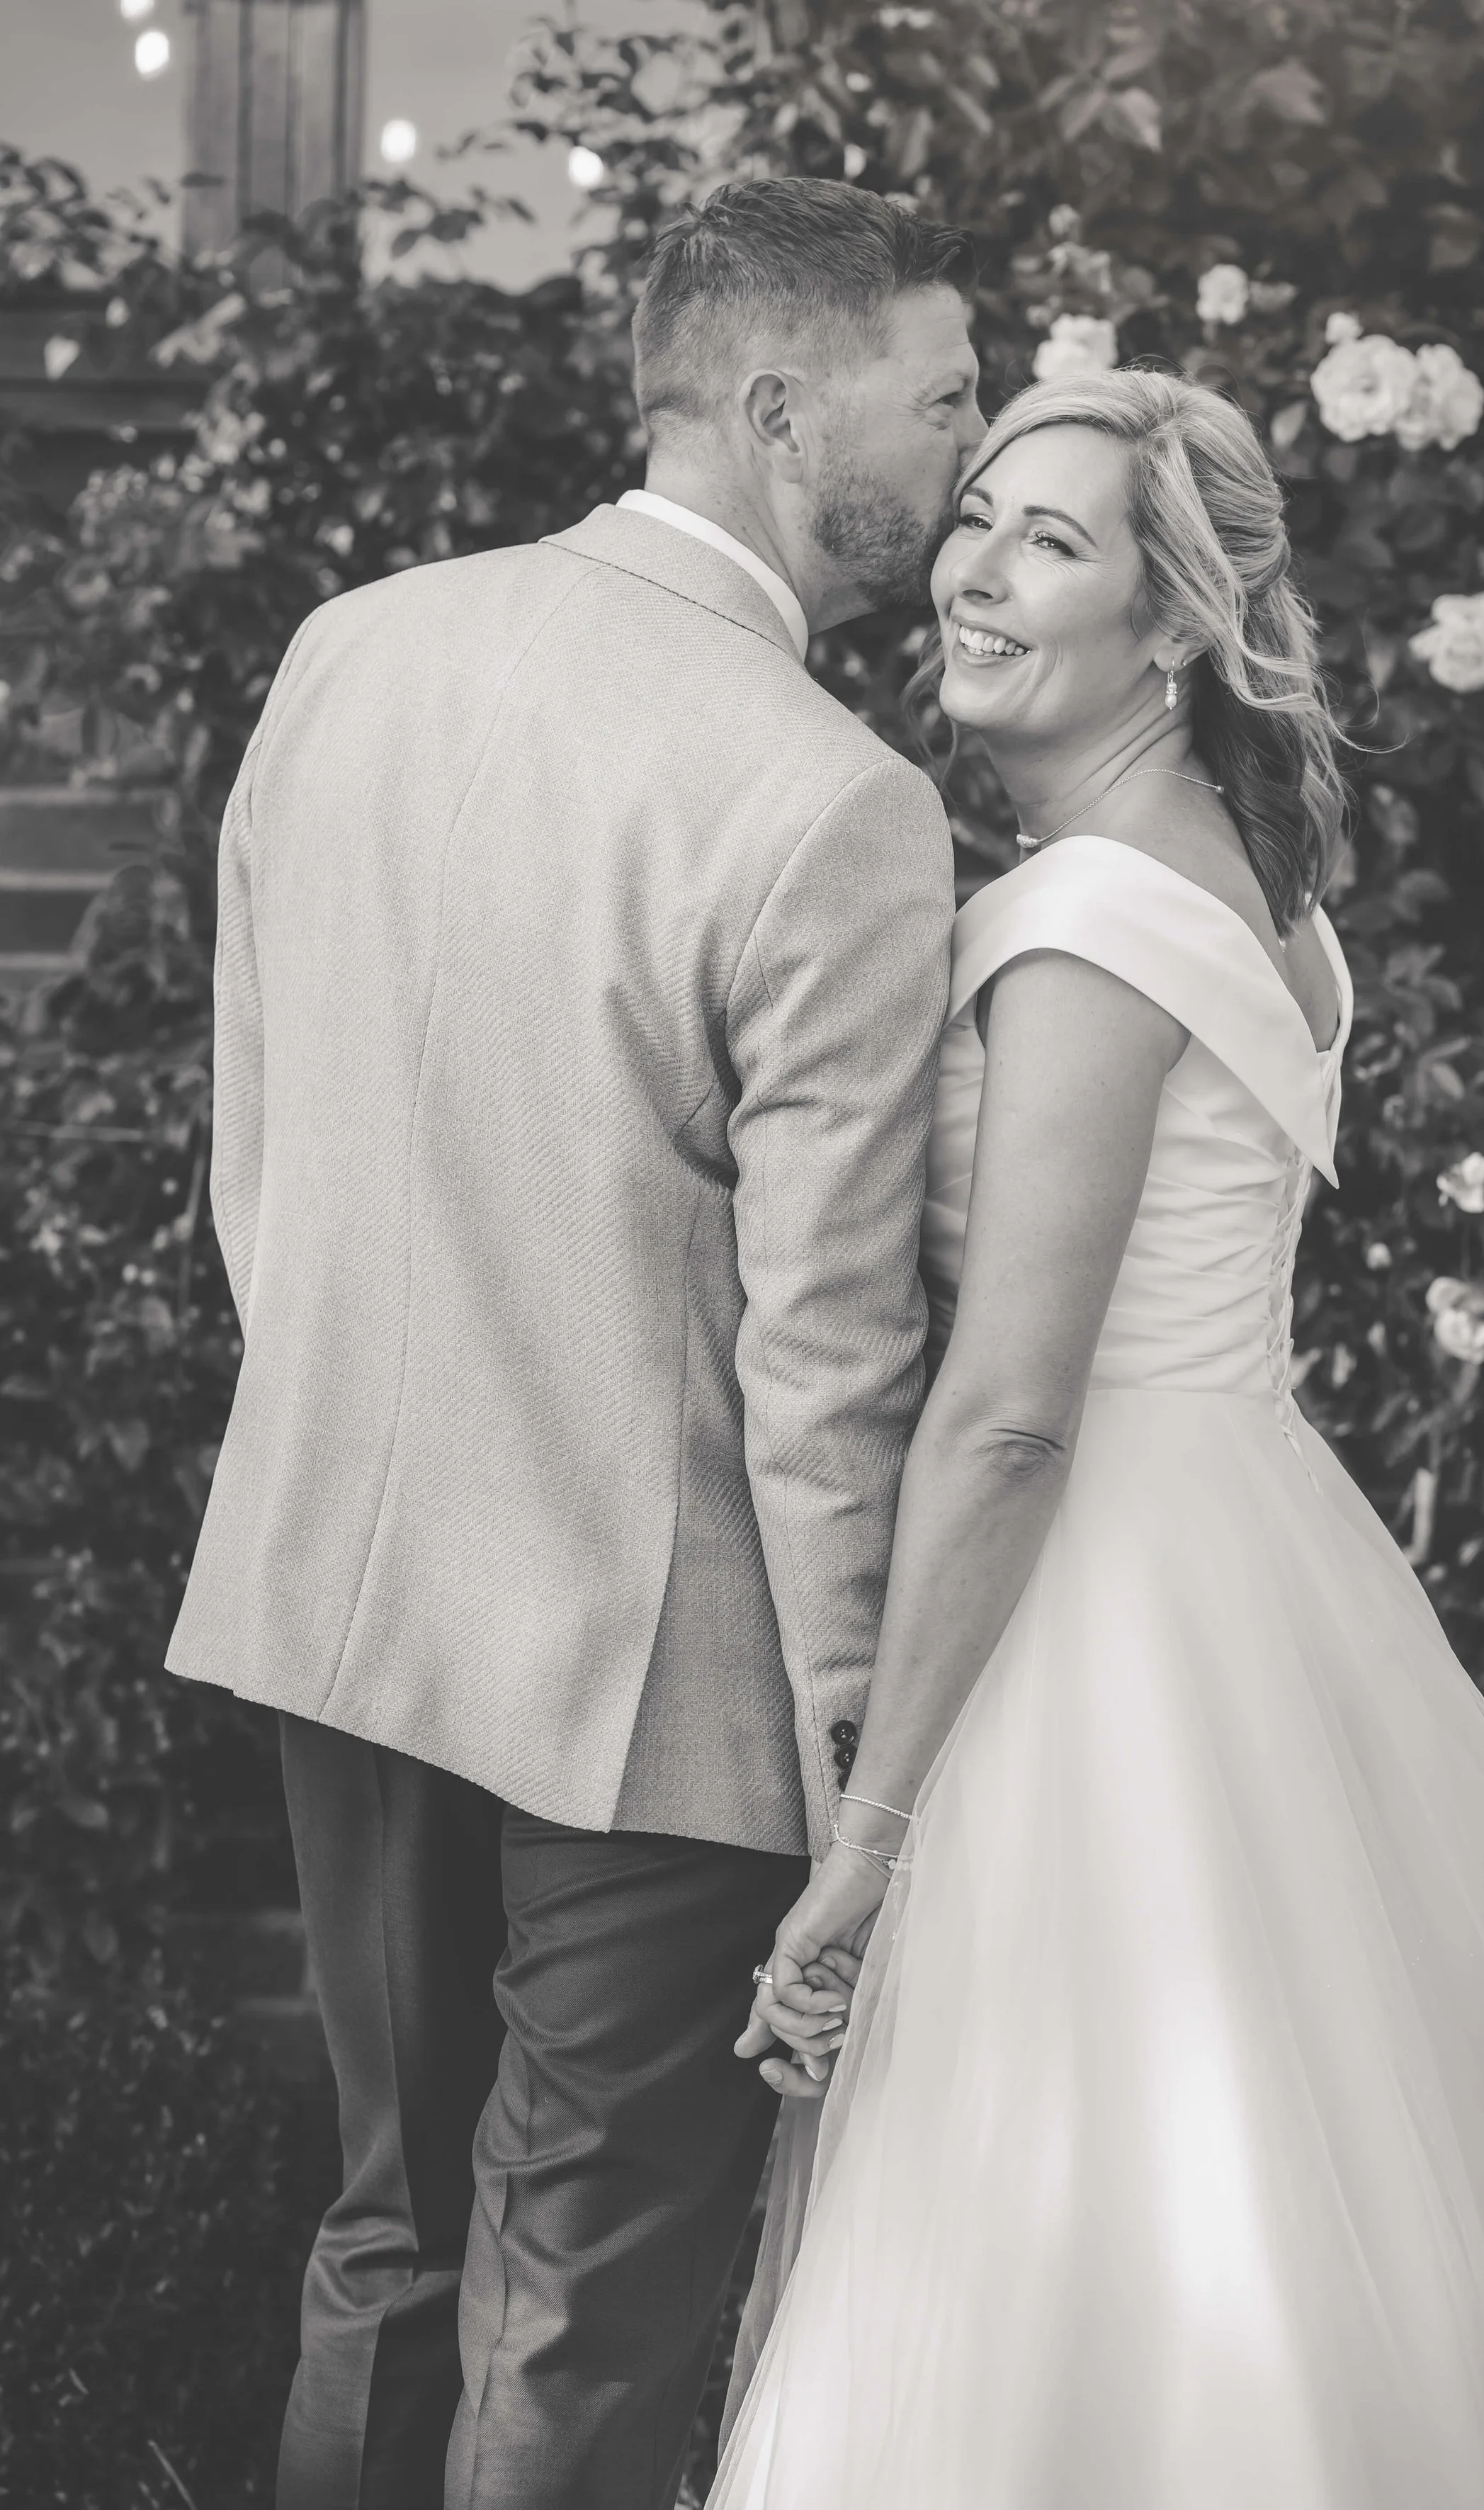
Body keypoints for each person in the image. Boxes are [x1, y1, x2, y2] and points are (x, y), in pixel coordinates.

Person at [714, 368, 1484, 2508]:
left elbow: (1011, 1414)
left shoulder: (1091, 921)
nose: (978, 567)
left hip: (1091, 1598)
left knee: (1097, 2201)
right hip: (1255, 1545)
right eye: (977, 515)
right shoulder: (1255, 888)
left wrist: (874, 1833)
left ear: (1172, 624)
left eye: (1052, 540)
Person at [165, 176, 983, 2510]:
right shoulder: (833, 802)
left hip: (339, 1592)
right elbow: (820, 1374)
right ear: (770, 400)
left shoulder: (356, 645)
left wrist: (346, 1446)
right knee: (584, 2303)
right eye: (937, 397)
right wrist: (862, 1800)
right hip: (655, 1687)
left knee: (390, 2242)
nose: (964, 449)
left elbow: (264, 1151)